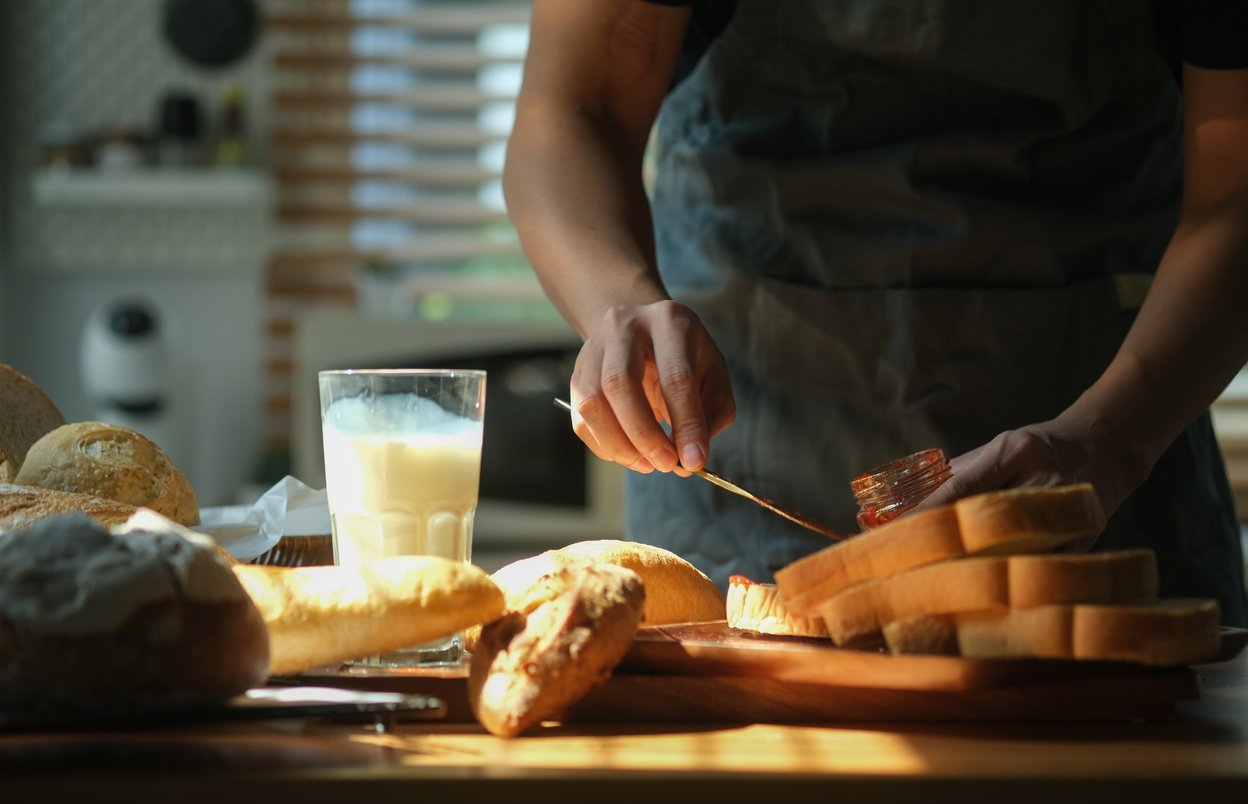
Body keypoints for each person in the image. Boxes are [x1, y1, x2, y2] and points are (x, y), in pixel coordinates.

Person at [504, 0, 1248, 625]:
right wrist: (618, 301)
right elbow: (572, 108)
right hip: (747, 454)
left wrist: (1109, 444)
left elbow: (1234, 197)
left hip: (1119, 433)